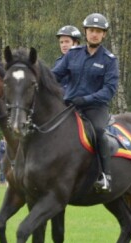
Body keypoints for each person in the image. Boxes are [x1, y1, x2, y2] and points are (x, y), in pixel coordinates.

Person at [52, 13, 119, 193]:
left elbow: (109, 90)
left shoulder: (109, 60)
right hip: (69, 106)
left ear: (104, 34)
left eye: (98, 31)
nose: (94, 34)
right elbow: (55, 76)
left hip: (95, 108)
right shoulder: (72, 55)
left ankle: (105, 176)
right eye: (91, 30)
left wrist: (86, 99)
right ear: (85, 32)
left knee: (97, 131)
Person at [54, 25, 82, 91]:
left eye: (67, 41)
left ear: (76, 43)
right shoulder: (59, 62)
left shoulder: (83, 60)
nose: (63, 45)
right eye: (61, 42)